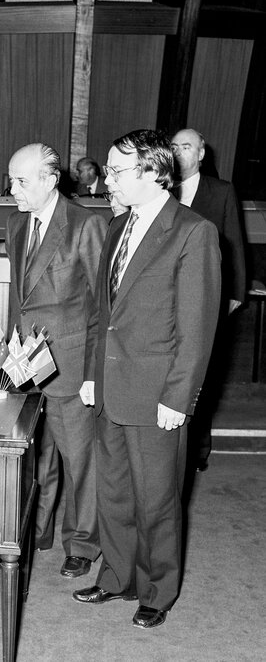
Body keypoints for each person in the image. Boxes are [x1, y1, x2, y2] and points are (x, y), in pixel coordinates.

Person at [74, 129, 221, 629]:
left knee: (157, 499)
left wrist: (180, 396)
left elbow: (197, 327)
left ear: (155, 173)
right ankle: (117, 576)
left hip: (157, 393)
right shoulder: (116, 228)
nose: (106, 180)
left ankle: (158, 590)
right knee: (113, 492)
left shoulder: (192, 232)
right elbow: (102, 313)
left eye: (116, 171)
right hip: (110, 388)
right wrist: (93, 374)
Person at [5, 143, 107, 580]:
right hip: (26, 366)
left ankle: (83, 543)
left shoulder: (87, 225)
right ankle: (38, 530)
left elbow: (104, 307)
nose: (12, 190)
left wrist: (93, 373)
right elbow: (20, 300)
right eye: (10, 180)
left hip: (70, 365)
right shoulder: (15, 224)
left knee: (81, 461)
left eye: (21, 181)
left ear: (50, 180)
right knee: (34, 458)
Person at [171, 128, 246, 472]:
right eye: (174, 146)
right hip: (167, 301)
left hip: (207, 299)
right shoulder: (161, 189)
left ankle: (198, 447)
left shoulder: (221, 191)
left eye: (186, 146)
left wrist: (234, 294)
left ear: (201, 154)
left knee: (204, 374)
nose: (178, 152)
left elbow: (234, 243)